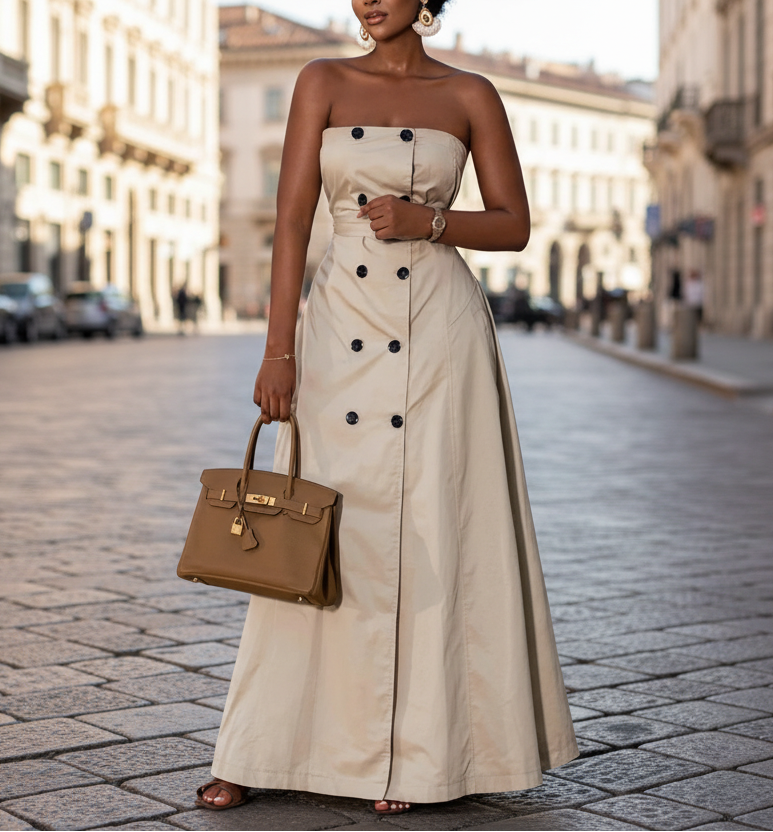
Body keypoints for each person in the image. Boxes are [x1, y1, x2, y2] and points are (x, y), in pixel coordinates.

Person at [197, 0, 578, 816]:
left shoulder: (471, 94)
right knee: (319, 534)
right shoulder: (319, 80)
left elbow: (513, 226)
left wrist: (427, 221)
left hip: (441, 335)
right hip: (338, 329)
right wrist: (278, 348)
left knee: (432, 530)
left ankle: (415, 759)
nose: (367, 1)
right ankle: (258, 745)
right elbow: (292, 222)